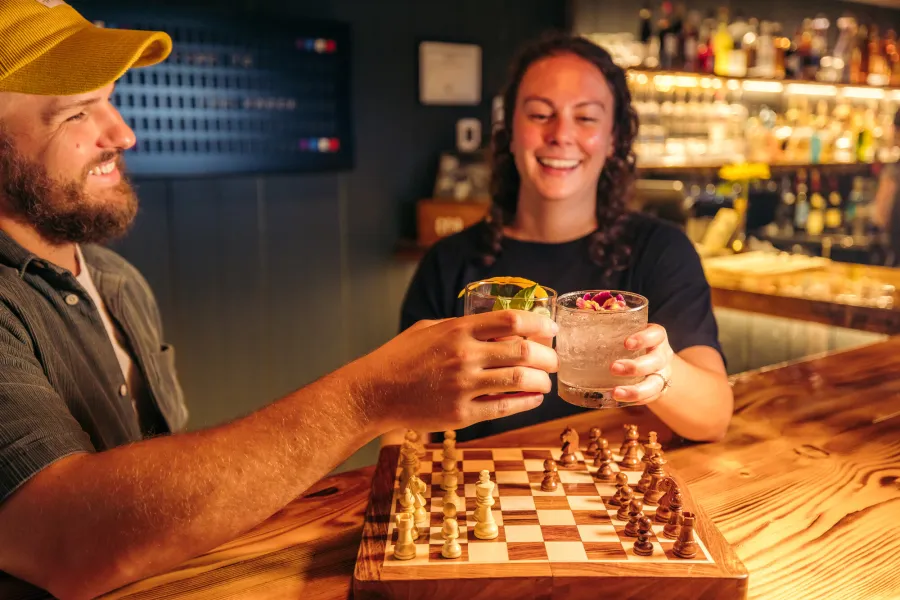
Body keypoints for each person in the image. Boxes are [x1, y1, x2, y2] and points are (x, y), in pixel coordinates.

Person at [0, 3, 559, 599]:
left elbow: (158, 504)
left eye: (111, 98)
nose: (122, 133)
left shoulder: (115, 280)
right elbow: (64, 542)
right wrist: (370, 396)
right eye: (77, 113)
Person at [400, 32, 733, 443]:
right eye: (540, 114)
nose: (561, 134)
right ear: (510, 131)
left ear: (613, 139)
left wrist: (662, 369)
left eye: (587, 117)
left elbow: (714, 417)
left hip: (617, 496)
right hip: (480, 496)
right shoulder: (449, 262)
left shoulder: (660, 251)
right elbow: (404, 430)